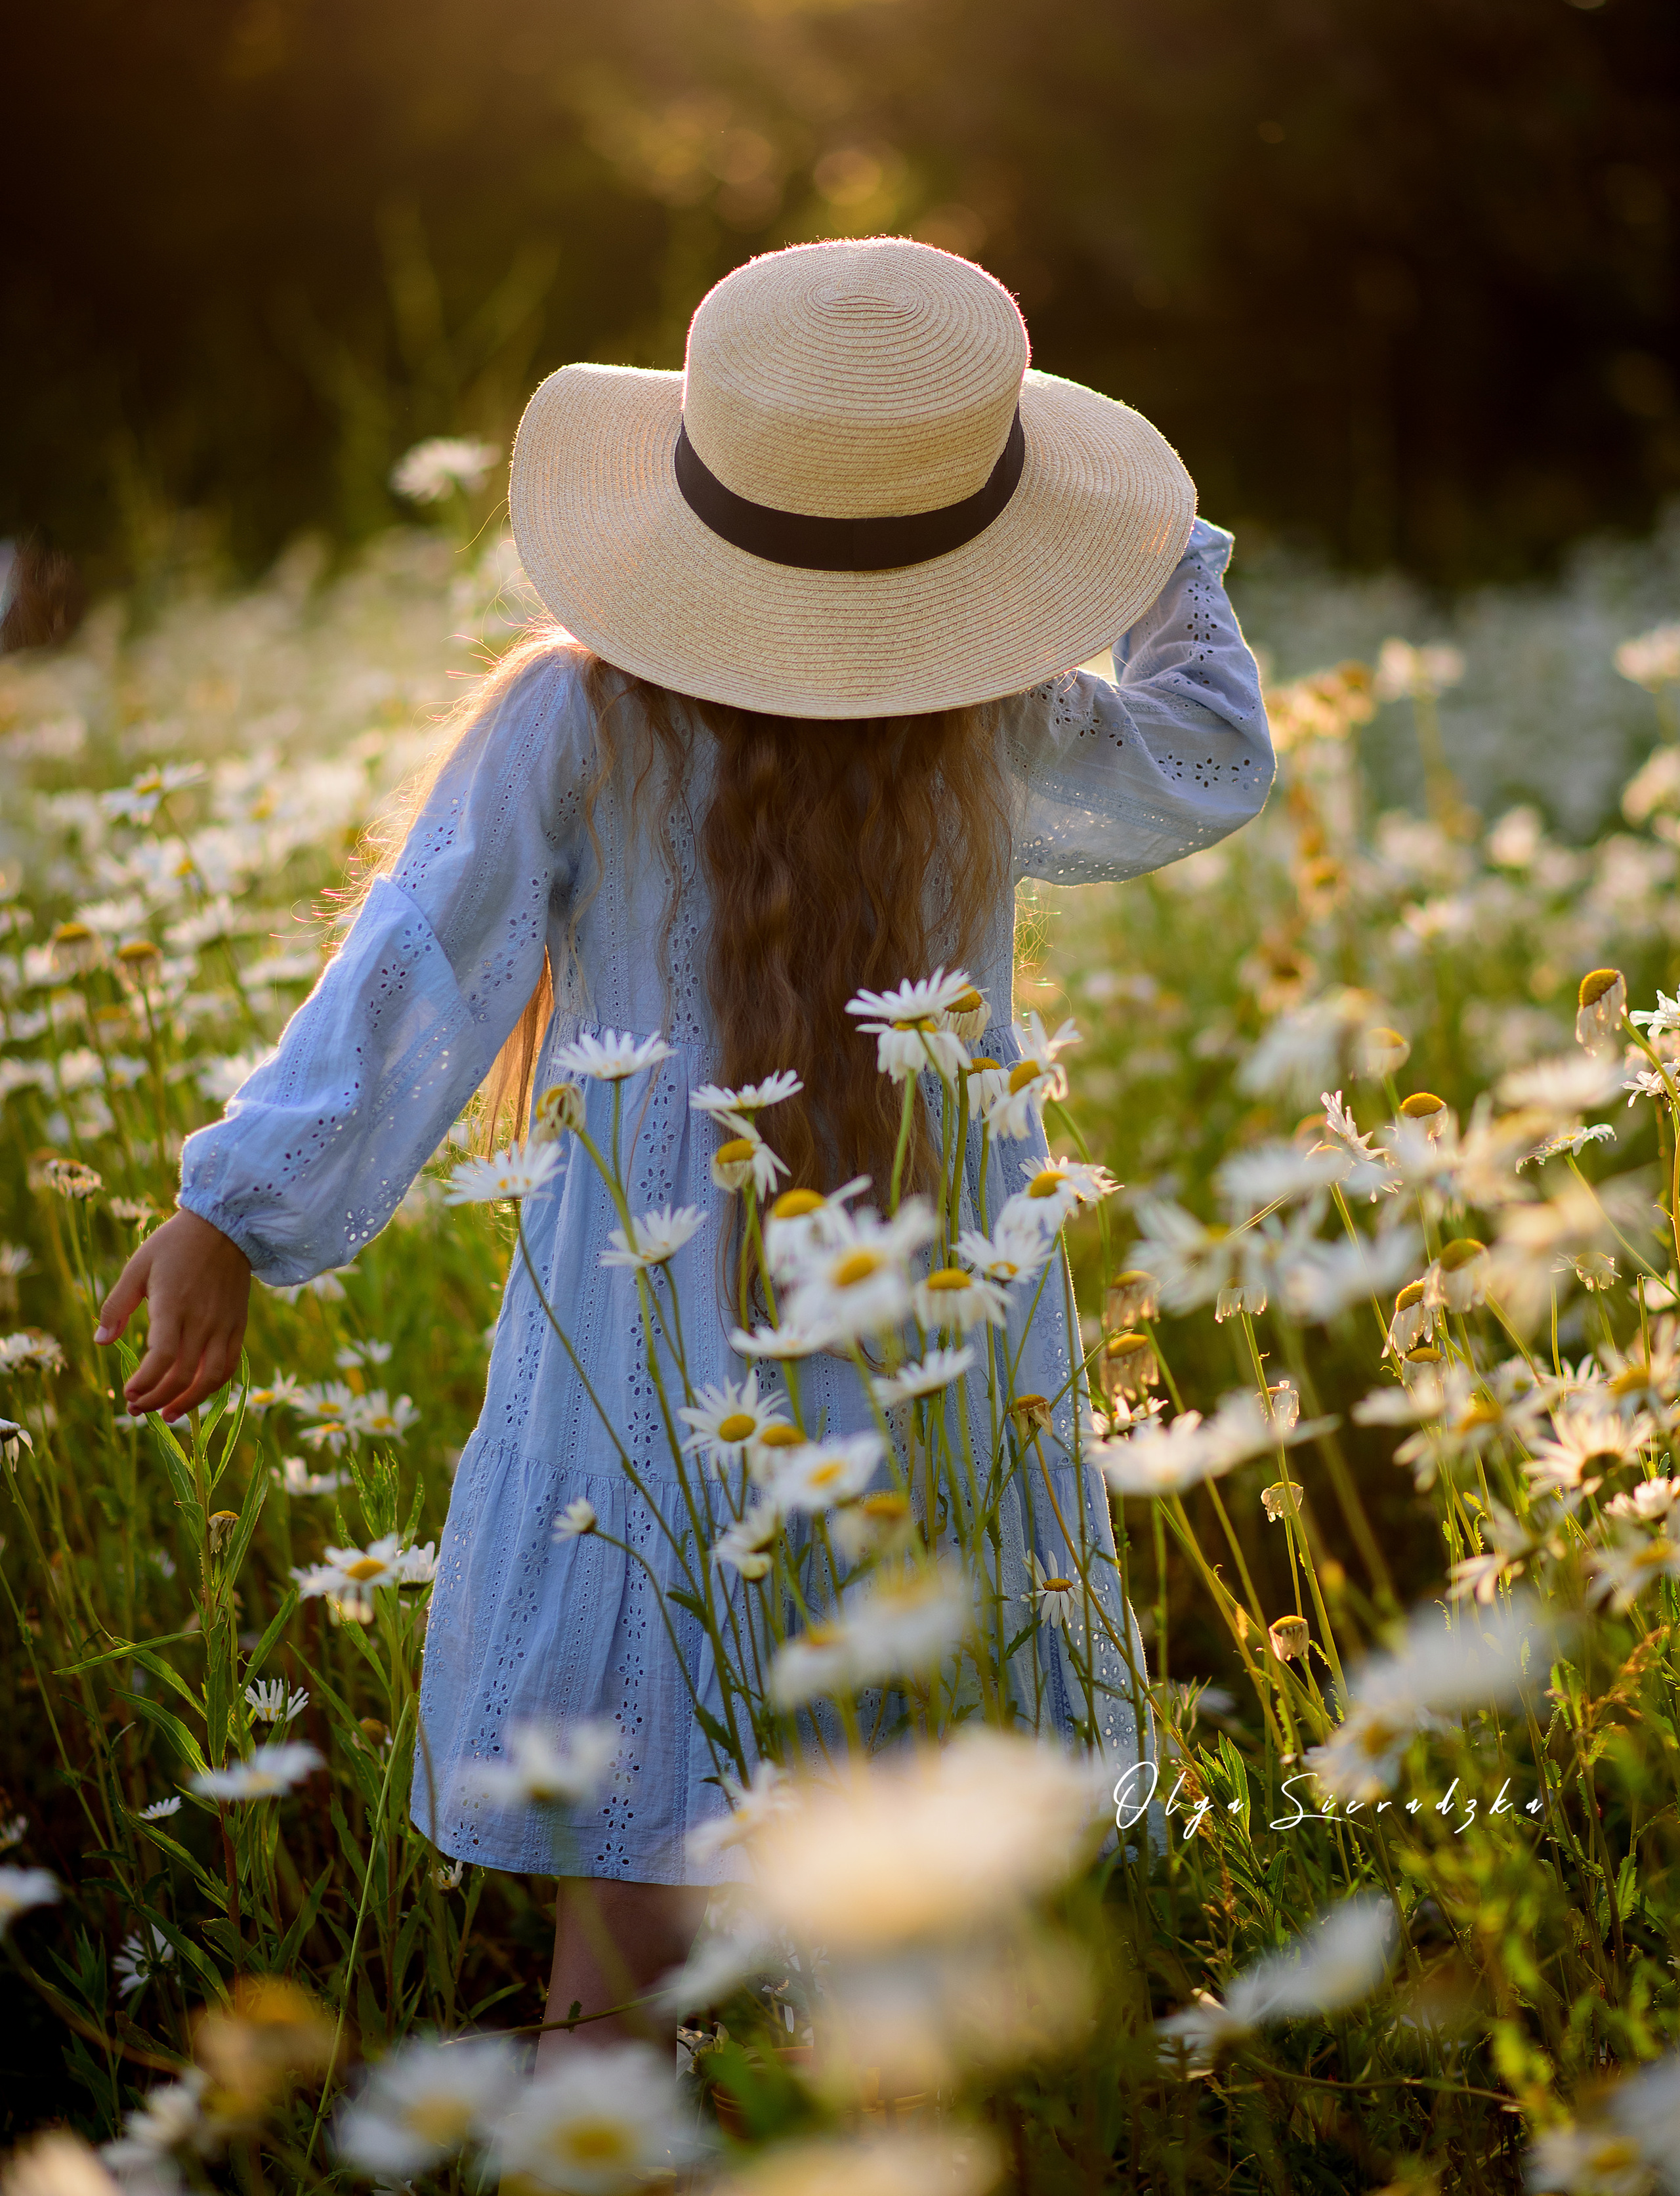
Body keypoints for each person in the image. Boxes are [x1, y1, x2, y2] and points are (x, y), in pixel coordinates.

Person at [97, 236, 1274, 2052]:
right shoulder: (990, 722)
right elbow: (1206, 750)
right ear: (973, 547)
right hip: (934, 1341)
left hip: (655, 1366)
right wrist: (1159, 556)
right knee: (913, 1882)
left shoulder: (579, 711)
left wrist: (236, 1209)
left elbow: (417, 960)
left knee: (634, 1914)